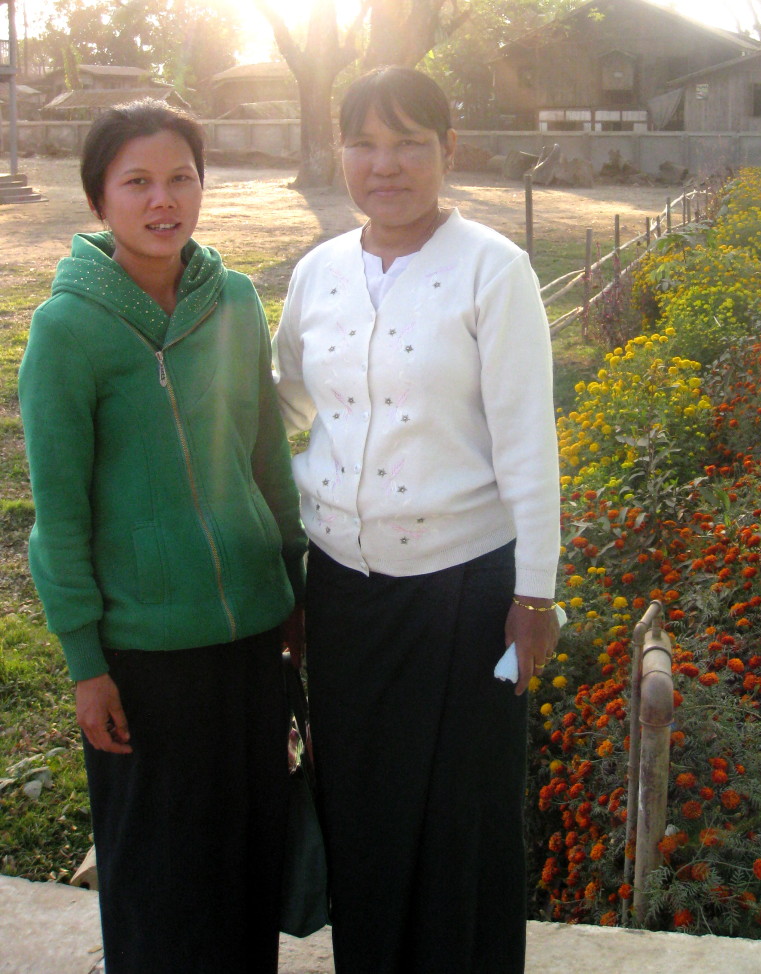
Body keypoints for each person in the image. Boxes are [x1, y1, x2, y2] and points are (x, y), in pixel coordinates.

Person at [272, 66, 561, 973]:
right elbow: (279, 408)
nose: (383, 164)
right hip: (344, 594)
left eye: (408, 142)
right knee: (361, 803)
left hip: (466, 596)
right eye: (363, 142)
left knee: (461, 816)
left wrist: (535, 596)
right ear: (339, 152)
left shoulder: (492, 270)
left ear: (449, 151)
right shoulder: (317, 272)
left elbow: (528, 444)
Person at [18, 99, 307, 974]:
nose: (163, 199)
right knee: (159, 877)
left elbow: (268, 460)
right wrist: (83, 662)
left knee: (251, 857)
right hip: (144, 655)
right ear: (99, 198)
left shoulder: (237, 302)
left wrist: (292, 594)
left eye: (182, 176)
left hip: (254, 636)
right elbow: (58, 517)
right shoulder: (66, 331)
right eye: (137, 181)